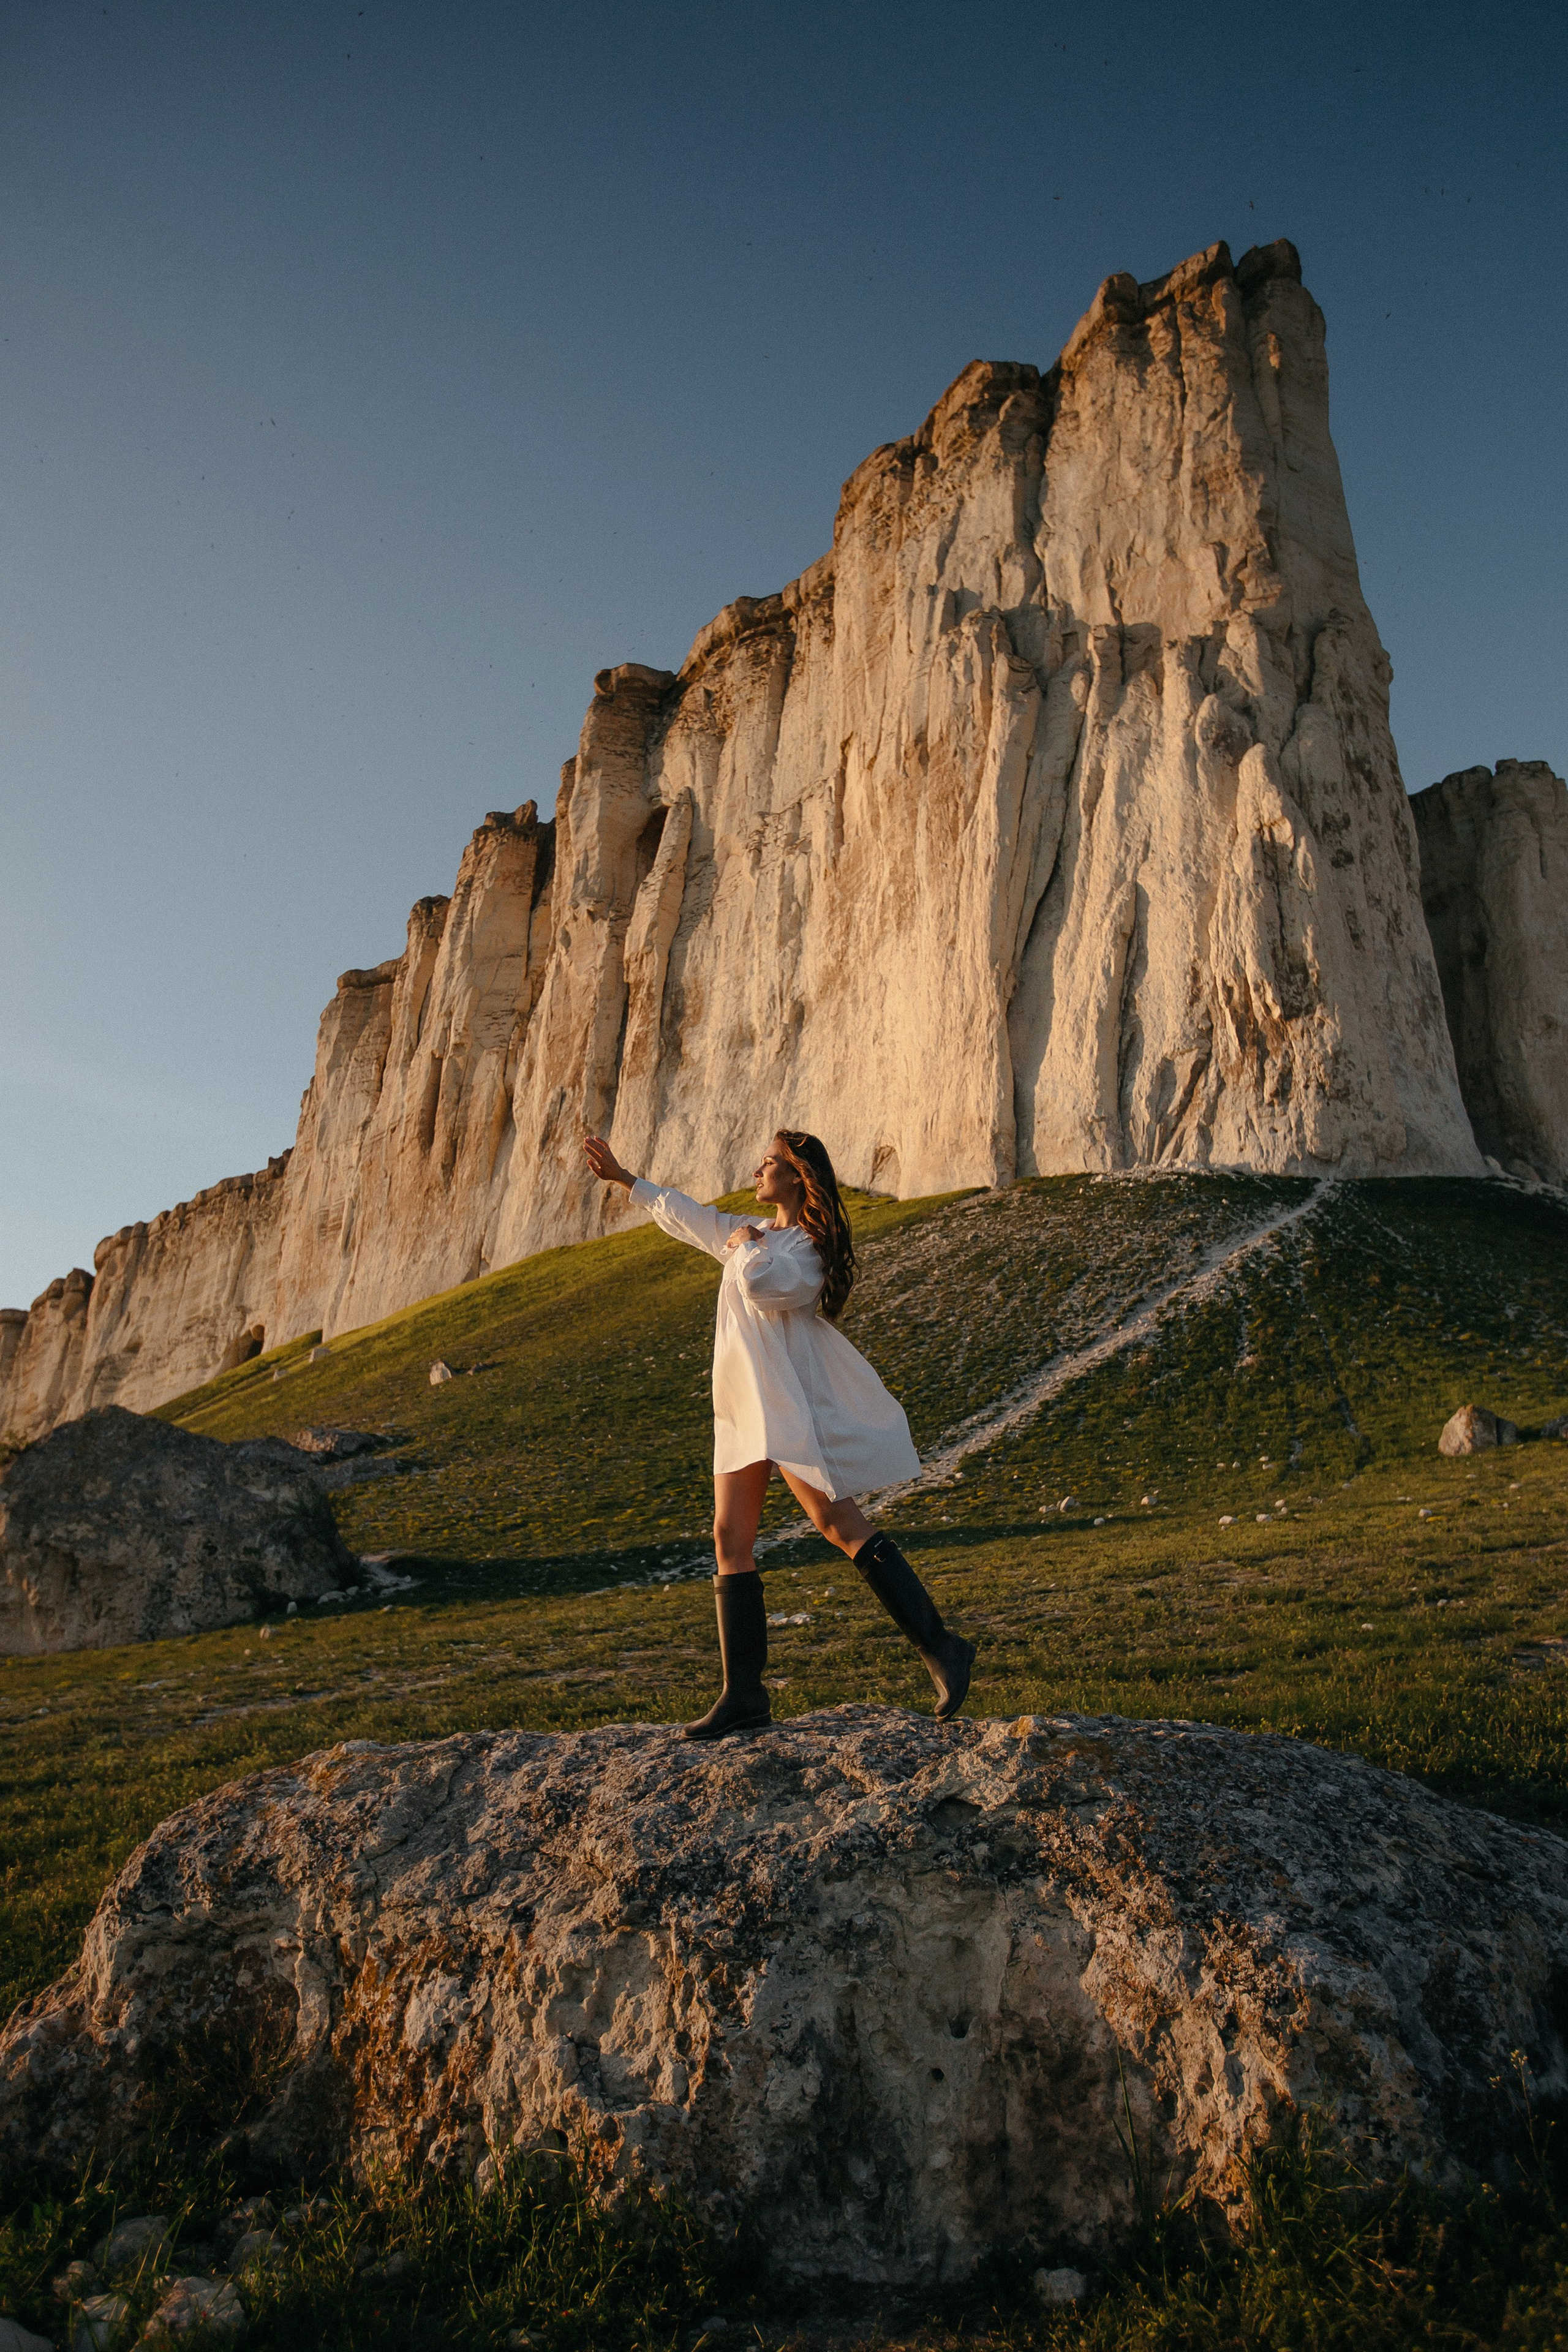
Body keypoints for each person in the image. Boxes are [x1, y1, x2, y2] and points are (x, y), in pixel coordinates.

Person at [581, 1128, 976, 1740]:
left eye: (771, 1164)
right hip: (744, 1407)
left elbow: (765, 1288)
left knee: (839, 1526)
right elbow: (690, 1217)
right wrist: (627, 1179)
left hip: (783, 1408)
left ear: (797, 1177)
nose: (759, 1171)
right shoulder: (754, 1233)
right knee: (728, 1537)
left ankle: (942, 1647)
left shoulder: (807, 1250)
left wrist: (743, 1245)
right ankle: (743, 1695)